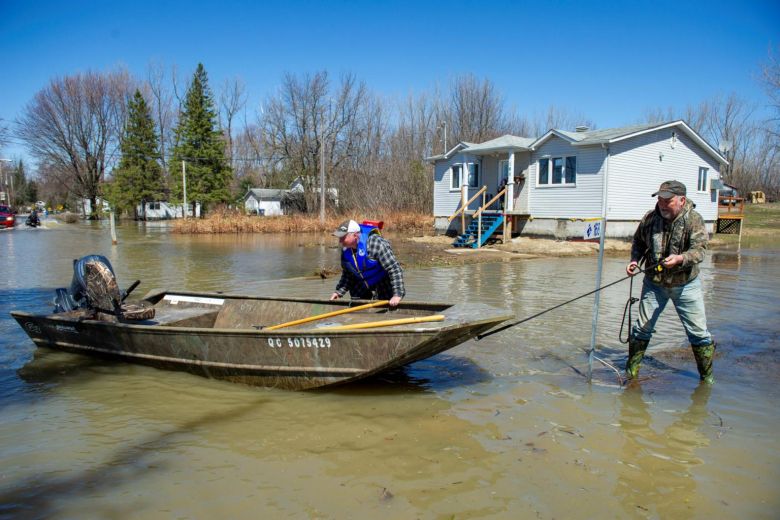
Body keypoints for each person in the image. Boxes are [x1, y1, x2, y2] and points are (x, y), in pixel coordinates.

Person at [625, 180, 715, 384]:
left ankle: (707, 380)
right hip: (654, 285)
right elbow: (638, 242)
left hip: (686, 286)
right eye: (660, 199)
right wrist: (633, 261)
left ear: (681, 200)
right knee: (641, 329)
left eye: (668, 200)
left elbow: (699, 251)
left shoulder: (694, 220)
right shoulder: (649, 218)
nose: (662, 204)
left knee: (699, 333)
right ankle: (631, 374)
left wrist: (680, 259)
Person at [329, 219, 405, 308]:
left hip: (383, 281)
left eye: (343, 237)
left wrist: (397, 295)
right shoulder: (346, 249)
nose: (340, 241)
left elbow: (394, 269)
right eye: (339, 238)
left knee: (385, 306)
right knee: (357, 305)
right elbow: (347, 274)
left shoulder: (375, 243)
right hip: (362, 283)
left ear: (355, 235)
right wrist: (338, 292)